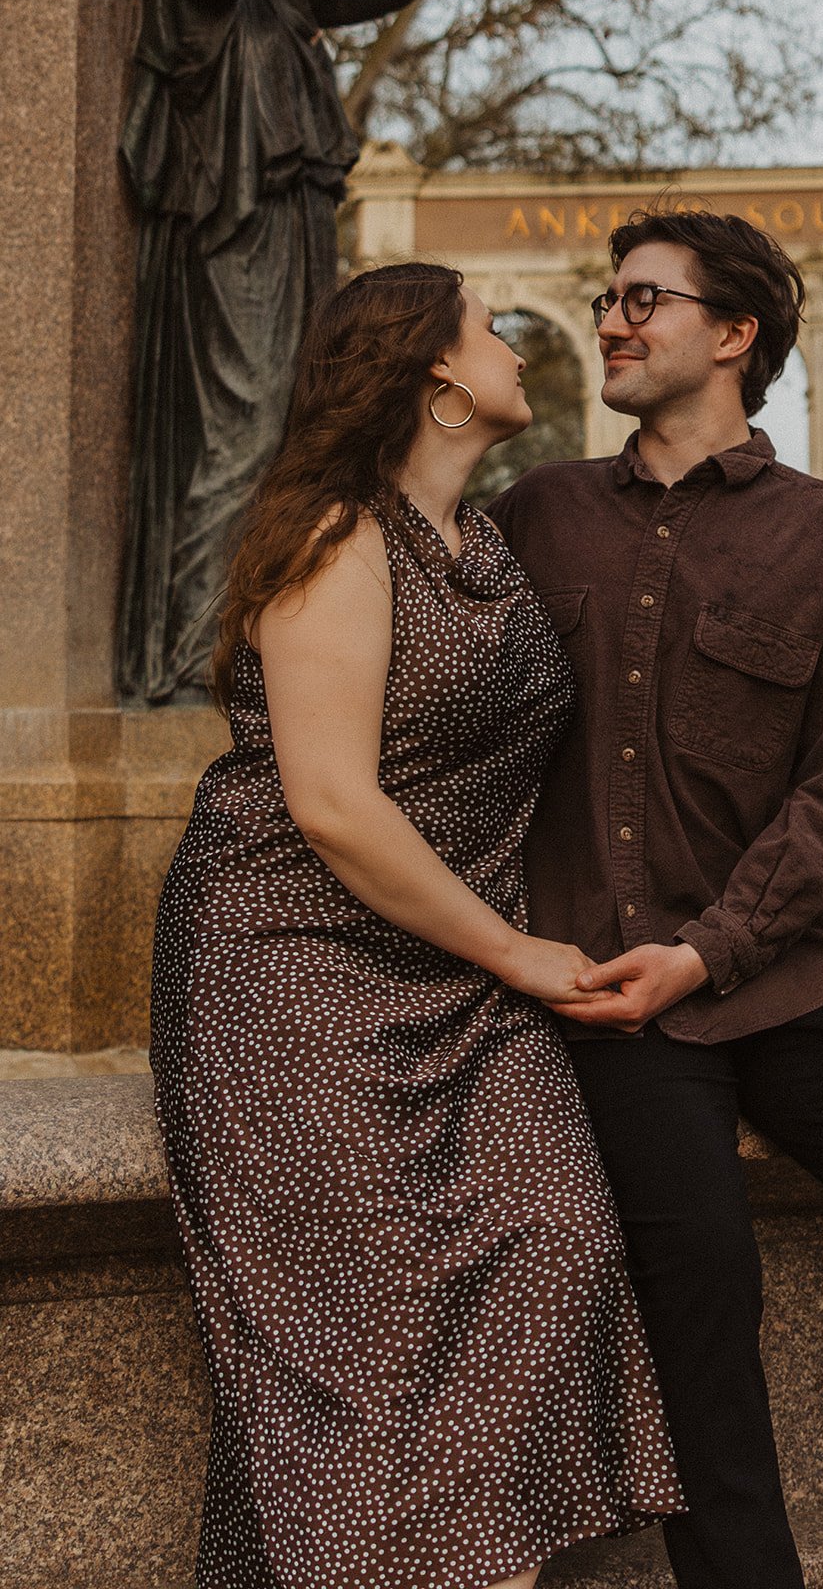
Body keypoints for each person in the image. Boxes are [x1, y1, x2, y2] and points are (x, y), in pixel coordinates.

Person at [489, 209, 823, 1589]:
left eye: (641, 300)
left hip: (787, 970)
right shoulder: (533, 517)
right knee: (700, 1289)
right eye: (604, 299)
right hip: (609, 993)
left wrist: (711, 947)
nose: (610, 321)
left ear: (732, 334)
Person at [150, 261, 684, 1589]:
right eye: (490, 330)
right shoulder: (335, 533)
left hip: (453, 964)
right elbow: (330, 802)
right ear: (435, 370)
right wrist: (516, 952)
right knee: (367, 1347)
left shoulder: (489, 543)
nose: (514, 348)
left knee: (556, 1244)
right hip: (290, 962)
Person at [118, 0, 422, 704]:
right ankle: (196, 659)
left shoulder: (284, 14)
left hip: (278, 172)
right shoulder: (220, 15)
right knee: (246, 424)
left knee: (289, 424)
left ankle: (226, 655)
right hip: (240, 176)